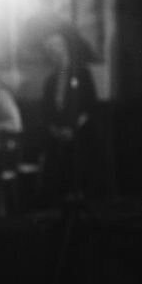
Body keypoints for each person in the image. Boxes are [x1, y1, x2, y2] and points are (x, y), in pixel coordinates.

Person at [40, 29, 97, 204]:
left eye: (55, 48)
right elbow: (47, 110)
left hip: (80, 135)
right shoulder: (50, 80)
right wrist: (56, 130)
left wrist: (73, 129)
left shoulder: (81, 74)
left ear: (64, 48)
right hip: (57, 136)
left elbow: (90, 105)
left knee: (78, 172)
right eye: (49, 50)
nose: (53, 53)